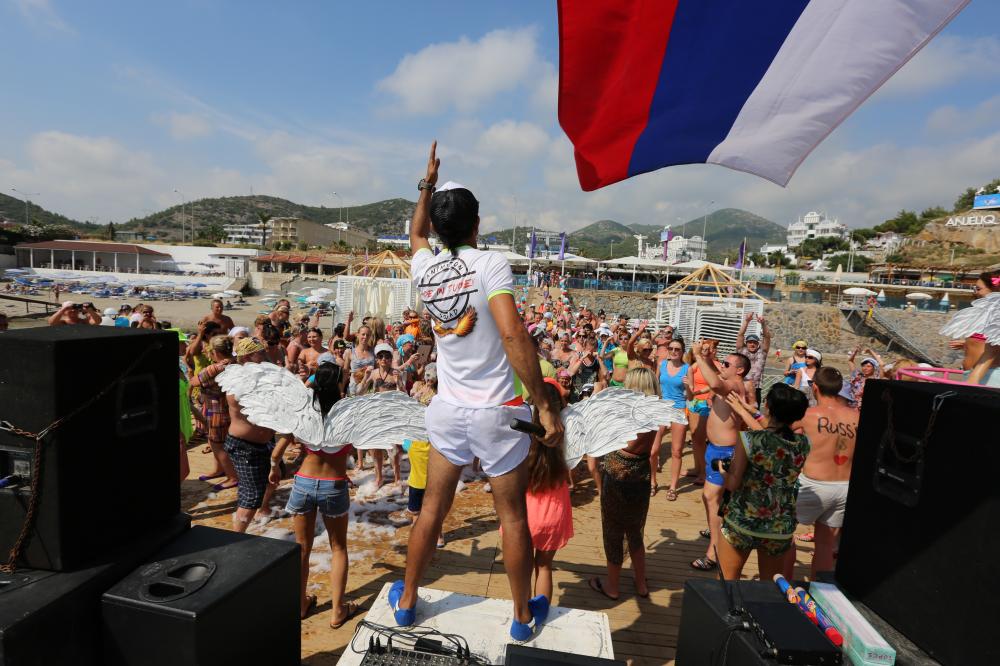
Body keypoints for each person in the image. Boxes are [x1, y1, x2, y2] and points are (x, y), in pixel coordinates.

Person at [391, 143, 563, 641]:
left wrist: (426, 183)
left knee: (431, 511)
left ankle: (407, 601)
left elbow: (415, 234)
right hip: (497, 413)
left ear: (438, 225)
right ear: (477, 224)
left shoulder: (425, 267)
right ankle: (522, 617)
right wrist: (543, 404)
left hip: (447, 410)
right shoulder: (490, 264)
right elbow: (513, 334)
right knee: (513, 519)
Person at [268, 363, 360, 628]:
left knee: (302, 548)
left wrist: (274, 468)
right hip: (333, 484)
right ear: (339, 384)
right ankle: (337, 611)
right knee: (338, 547)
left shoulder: (306, 412)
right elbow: (352, 447)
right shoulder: (348, 412)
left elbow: (277, 453)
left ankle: (300, 604)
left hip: (304, 483)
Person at [717, 383, 810, 580]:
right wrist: (747, 412)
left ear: (767, 406)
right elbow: (775, 438)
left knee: (726, 584)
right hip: (779, 526)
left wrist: (722, 470)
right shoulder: (803, 443)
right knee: (769, 587)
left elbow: (732, 484)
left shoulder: (749, 439)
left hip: (743, 521)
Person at [588, 367, 657, 600]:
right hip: (641, 474)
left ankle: (612, 586)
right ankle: (641, 584)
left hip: (618, 474)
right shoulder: (655, 411)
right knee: (636, 530)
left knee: (613, 531)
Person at [786, 367, 858, 579]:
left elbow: (773, 429)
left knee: (784, 534)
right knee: (826, 544)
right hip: (844, 486)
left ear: (815, 387)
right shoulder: (857, 417)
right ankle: (819, 590)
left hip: (812, 485)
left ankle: (783, 586)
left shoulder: (808, 415)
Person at [688, 339, 751, 571]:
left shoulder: (734, 384)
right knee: (716, 499)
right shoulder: (729, 381)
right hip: (716, 448)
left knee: (711, 497)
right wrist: (706, 359)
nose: (722, 365)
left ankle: (714, 551)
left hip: (725, 451)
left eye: (726, 363)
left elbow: (714, 383)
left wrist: (697, 356)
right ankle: (717, 530)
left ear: (739, 370)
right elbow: (715, 378)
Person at [224, 337, 291, 532]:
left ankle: (263, 509)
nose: (264, 354)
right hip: (244, 446)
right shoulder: (239, 382)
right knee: (250, 496)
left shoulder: (260, 377)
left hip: (263, 443)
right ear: (246, 357)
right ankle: (235, 540)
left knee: (275, 476)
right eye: (259, 352)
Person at [523, 382, 573, 607]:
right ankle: (542, 614)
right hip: (554, 512)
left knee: (523, 568)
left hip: (525, 514)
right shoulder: (567, 435)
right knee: (544, 566)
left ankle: (522, 614)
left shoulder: (524, 437)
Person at [188, 335, 239, 490]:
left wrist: (191, 372)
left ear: (216, 352)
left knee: (217, 444)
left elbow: (194, 381)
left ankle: (232, 477)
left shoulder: (215, 368)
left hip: (216, 410)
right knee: (214, 440)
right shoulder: (235, 362)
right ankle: (219, 469)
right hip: (225, 408)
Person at [364, 341, 405, 488]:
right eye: (380, 356)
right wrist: (365, 377)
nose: (384, 359)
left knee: (395, 447)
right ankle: (379, 477)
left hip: (392, 413)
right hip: (377, 413)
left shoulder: (396, 373)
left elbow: (404, 394)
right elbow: (359, 391)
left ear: (391, 358)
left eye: (387, 356)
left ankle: (397, 476)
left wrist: (398, 381)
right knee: (376, 447)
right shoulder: (374, 373)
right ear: (377, 359)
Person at [654, 338, 689, 501]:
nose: (674, 351)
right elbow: (655, 386)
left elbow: (690, 396)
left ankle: (673, 487)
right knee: (653, 450)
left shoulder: (687, 369)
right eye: (671, 348)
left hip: (678, 409)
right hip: (662, 408)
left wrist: (688, 386)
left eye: (677, 349)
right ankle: (652, 482)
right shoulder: (661, 364)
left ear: (682, 352)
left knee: (676, 451)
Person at [683, 338, 718, 486]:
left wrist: (708, 395)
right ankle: (698, 468)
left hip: (705, 404)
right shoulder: (696, 364)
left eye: (707, 349)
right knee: (695, 437)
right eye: (702, 349)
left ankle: (704, 472)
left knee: (702, 439)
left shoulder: (716, 365)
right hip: (694, 402)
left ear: (713, 351)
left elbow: (717, 384)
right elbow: (689, 370)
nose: (705, 351)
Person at [736, 313, 771, 406]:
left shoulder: (762, 352)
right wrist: (747, 321)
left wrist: (763, 323)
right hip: (740, 386)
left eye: (754, 342)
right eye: (750, 342)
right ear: (746, 343)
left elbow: (767, 337)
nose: (752, 344)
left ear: (758, 344)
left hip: (756, 388)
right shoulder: (741, 350)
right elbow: (740, 334)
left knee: (754, 412)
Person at [342, 324, 375, 396]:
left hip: (370, 388)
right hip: (354, 388)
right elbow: (345, 372)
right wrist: (342, 390)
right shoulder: (350, 352)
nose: (365, 337)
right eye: (363, 334)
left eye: (368, 335)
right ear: (358, 335)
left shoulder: (374, 351)